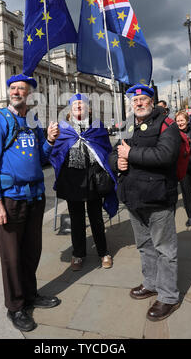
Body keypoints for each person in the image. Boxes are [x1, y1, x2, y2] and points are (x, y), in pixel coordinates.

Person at [0, 74, 60, 332]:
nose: (16, 92)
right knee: (12, 257)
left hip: (35, 197)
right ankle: (15, 307)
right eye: (13, 88)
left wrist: (48, 140)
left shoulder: (31, 123)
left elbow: (41, 158)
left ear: (30, 95)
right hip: (11, 199)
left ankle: (30, 295)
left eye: (21, 89)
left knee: (31, 253)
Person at [109, 84, 181, 322]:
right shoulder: (127, 125)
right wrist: (115, 162)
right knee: (144, 246)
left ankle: (169, 296)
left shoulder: (167, 124)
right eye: (135, 100)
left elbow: (165, 155)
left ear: (152, 101)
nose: (138, 103)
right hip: (133, 197)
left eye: (143, 99)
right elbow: (114, 151)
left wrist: (130, 155)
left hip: (158, 197)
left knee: (165, 249)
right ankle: (151, 283)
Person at [50, 93, 118, 271]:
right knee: (76, 219)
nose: (78, 107)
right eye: (75, 105)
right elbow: (56, 153)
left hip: (93, 177)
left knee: (96, 218)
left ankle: (103, 252)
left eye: (82, 104)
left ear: (88, 108)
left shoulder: (97, 126)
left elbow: (105, 150)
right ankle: (78, 254)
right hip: (72, 178)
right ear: (70, 109)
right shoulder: (63, 128)